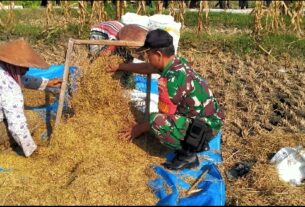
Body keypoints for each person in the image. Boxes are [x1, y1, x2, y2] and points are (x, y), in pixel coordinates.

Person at [108, 29, 224, 170]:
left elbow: (163, 117)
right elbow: (147, 67)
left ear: (158, 54)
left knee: (155, 121)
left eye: (148, 54)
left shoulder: (170, 82)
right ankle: (188, 140)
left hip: (203, 131)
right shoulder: (176, 63)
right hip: (211, 120)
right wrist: (119, 66)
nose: (146, 57)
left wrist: (137, 129)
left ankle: (188, 155)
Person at [0, 39, 62, 157]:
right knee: (32, 119)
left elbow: (23, 79)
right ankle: (7, 147)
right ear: (14, 64)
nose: (27, 69)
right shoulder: (9, 87)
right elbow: (16, 125)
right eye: (24, 67)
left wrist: (48, 82)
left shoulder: (4, 69)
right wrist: (32, 150)